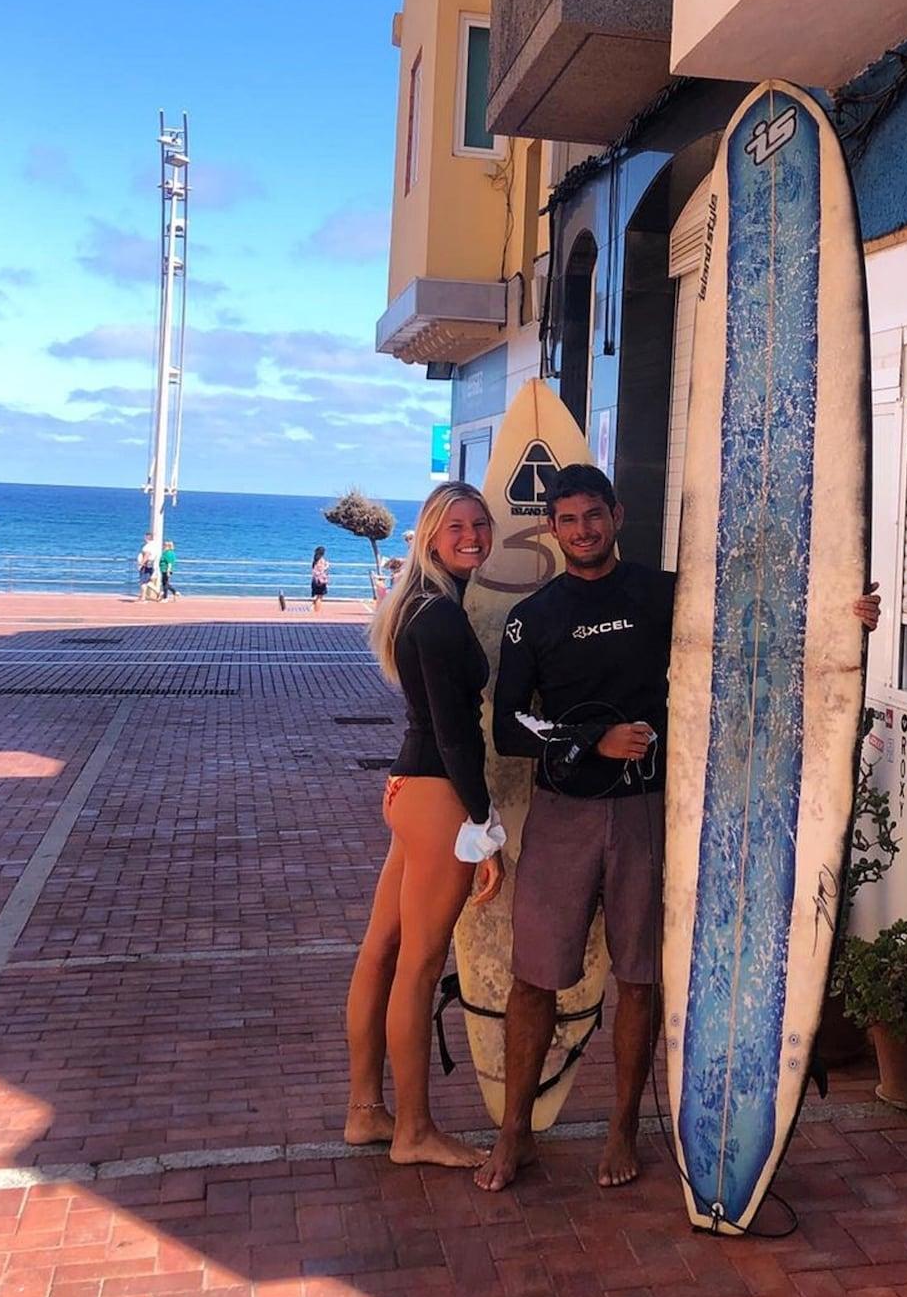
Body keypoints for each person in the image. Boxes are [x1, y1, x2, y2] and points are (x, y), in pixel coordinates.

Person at [475, 464, 879, 1194]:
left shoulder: (664, 595)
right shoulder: (533, 617)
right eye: (567, 521)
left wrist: (842, 615)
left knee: (638, 977)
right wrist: (586, 738)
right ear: (552, 529)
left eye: (593, 516)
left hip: (647, 811)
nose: (582, 531)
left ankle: (624, 1125)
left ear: (617, 515)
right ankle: (515, 1133)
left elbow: (757, 632)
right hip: (564, 814)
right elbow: (508, 727)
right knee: (534, 979)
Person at [345, 482, 505, 1166]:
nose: (472, 536)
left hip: (409, 789)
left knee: (382, 951)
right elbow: (456, 734)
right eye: (457, 526)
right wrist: (483, 824)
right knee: (417, 966)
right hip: (438, 795)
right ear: (432, 535)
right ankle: (412, 1131)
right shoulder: (439, 617)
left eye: (480, 524)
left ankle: (365, 1112)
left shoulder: (418, 603)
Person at [136, 534, 159, 600]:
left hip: (145, 565)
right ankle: (157, 591)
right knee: (146, 581)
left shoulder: (147, 546)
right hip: (150, 565)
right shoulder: (155, 546)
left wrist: (141, 563)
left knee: (143, 582)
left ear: (147, 538)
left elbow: (147, 555)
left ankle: (143, 597)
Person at [311, 545, 329, 613]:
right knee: (320, 597)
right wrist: (327, 566)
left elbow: (314, 570)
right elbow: (321, 570)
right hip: (320, 581)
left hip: (315, 580)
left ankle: (314, 607)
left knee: (316, 595)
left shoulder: (315, 560)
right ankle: (317, 611)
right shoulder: (321, 560)